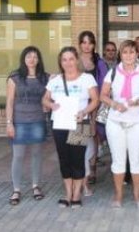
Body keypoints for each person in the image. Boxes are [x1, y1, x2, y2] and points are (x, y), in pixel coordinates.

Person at [42, 46, 99, 208]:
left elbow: (95, 100)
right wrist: (51, 105)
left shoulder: (87, 79)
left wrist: (85, 111)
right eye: (64, 59)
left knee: (77, 159)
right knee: (64, 159)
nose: (68, 63)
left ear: (77, 60)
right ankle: (67, 194)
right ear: (61, 62)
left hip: (80, 124)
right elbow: (45, 99)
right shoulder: (54, 80)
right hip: (59, 124)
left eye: (71, 59)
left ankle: (76, 195)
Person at [100, 40, 139, 209]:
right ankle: (118, 194)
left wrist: (137, 102)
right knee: (118, 160)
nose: (128, 55)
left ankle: (138, 195)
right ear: (120, 55)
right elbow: (103, 95)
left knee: (137, 160)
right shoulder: (113, 72)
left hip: (138, 122)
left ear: (137, 54)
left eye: (132, 52)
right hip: (115, 122)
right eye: (125, 52)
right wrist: (115, 104)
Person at [5, 46, 49, 205]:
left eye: (35, 57)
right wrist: (9, 123)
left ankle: (36, 186)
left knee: (37, 155)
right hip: (19, 121)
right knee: (18, 156)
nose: (32, 59)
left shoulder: (45, 77)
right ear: (23, 58)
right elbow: (9, 102)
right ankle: (16, 189)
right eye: (29, 56)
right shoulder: (15, 77)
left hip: (38, 120)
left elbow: (53, 93)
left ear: (39, 60)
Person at [78, 30, 107, 194]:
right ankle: (82, 176)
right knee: (80, 141)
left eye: (90, 42)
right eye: (84, 42)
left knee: (94, 137)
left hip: (96, 104)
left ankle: (92, 168)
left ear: (94, 44)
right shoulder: (74, 60)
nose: (87, 45)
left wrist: (96, 111)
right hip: (79, 107)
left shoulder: (100, 62)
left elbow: (104, 86)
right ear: (80, 44)